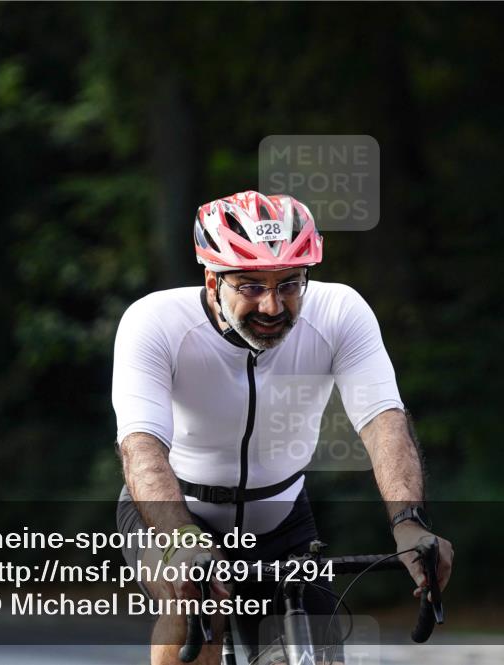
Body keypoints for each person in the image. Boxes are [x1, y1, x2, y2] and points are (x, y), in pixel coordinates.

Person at [113, 190, 453, 665]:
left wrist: (408, 523)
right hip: (173, 509)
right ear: (213, 281)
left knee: (322, 647)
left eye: (290, 284)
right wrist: (181, 541)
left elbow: (384, 422)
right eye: (251, 286)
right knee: (195, 600)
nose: (273, 306)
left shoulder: (340, 312)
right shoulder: (154, 322)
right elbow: (141, 447)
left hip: (282, 514)